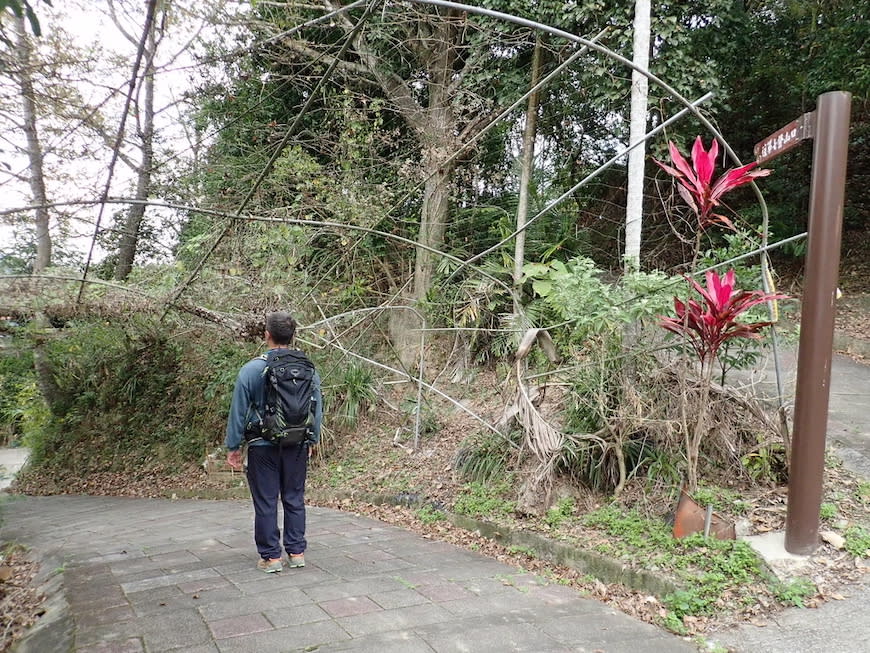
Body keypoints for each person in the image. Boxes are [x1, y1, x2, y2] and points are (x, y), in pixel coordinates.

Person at [225, 311, 322, 573]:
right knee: (294, 498)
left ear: (266, 335)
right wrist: (312, 439)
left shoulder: (251, 369)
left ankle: (271, 557)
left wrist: (233, 446)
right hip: (297, 445)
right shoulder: (308, 370)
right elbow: (316, 408)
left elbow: (238, 411)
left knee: (267, 501)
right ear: (292, 336)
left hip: (262, 446)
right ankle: (297, 552)